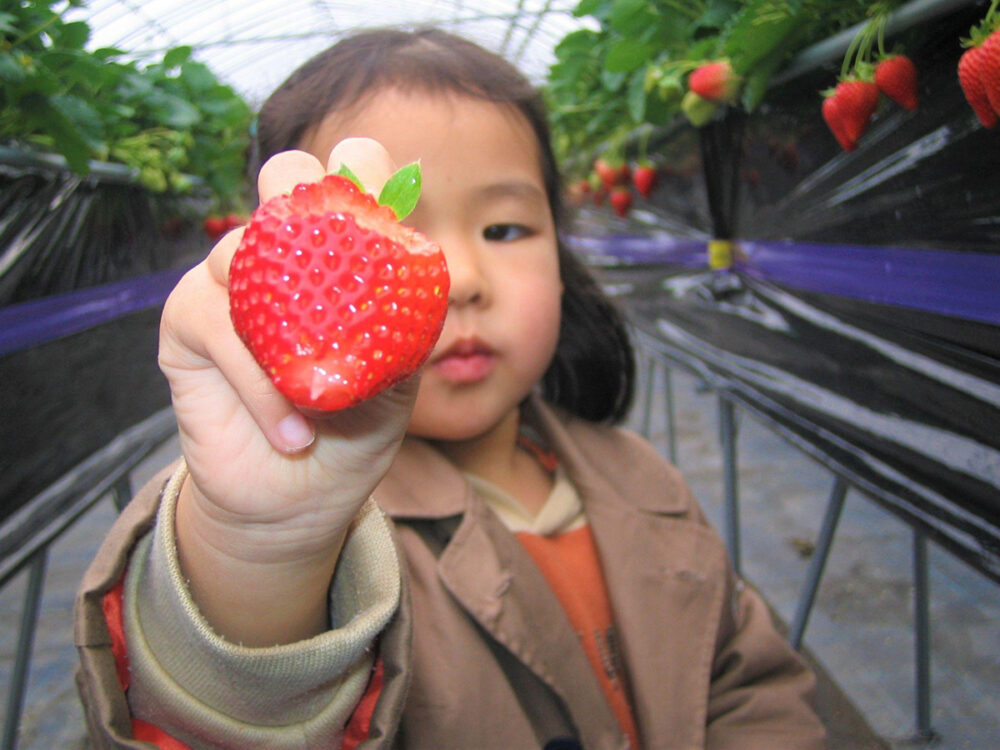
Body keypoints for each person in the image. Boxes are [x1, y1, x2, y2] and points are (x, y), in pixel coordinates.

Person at [75, 27, 827, 750]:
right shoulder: (308, 531)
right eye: (392, 233)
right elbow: (209, 724)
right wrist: (260, 553)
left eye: (504, 230)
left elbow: (745, 686)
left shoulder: (641, 477)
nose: (459, 279)